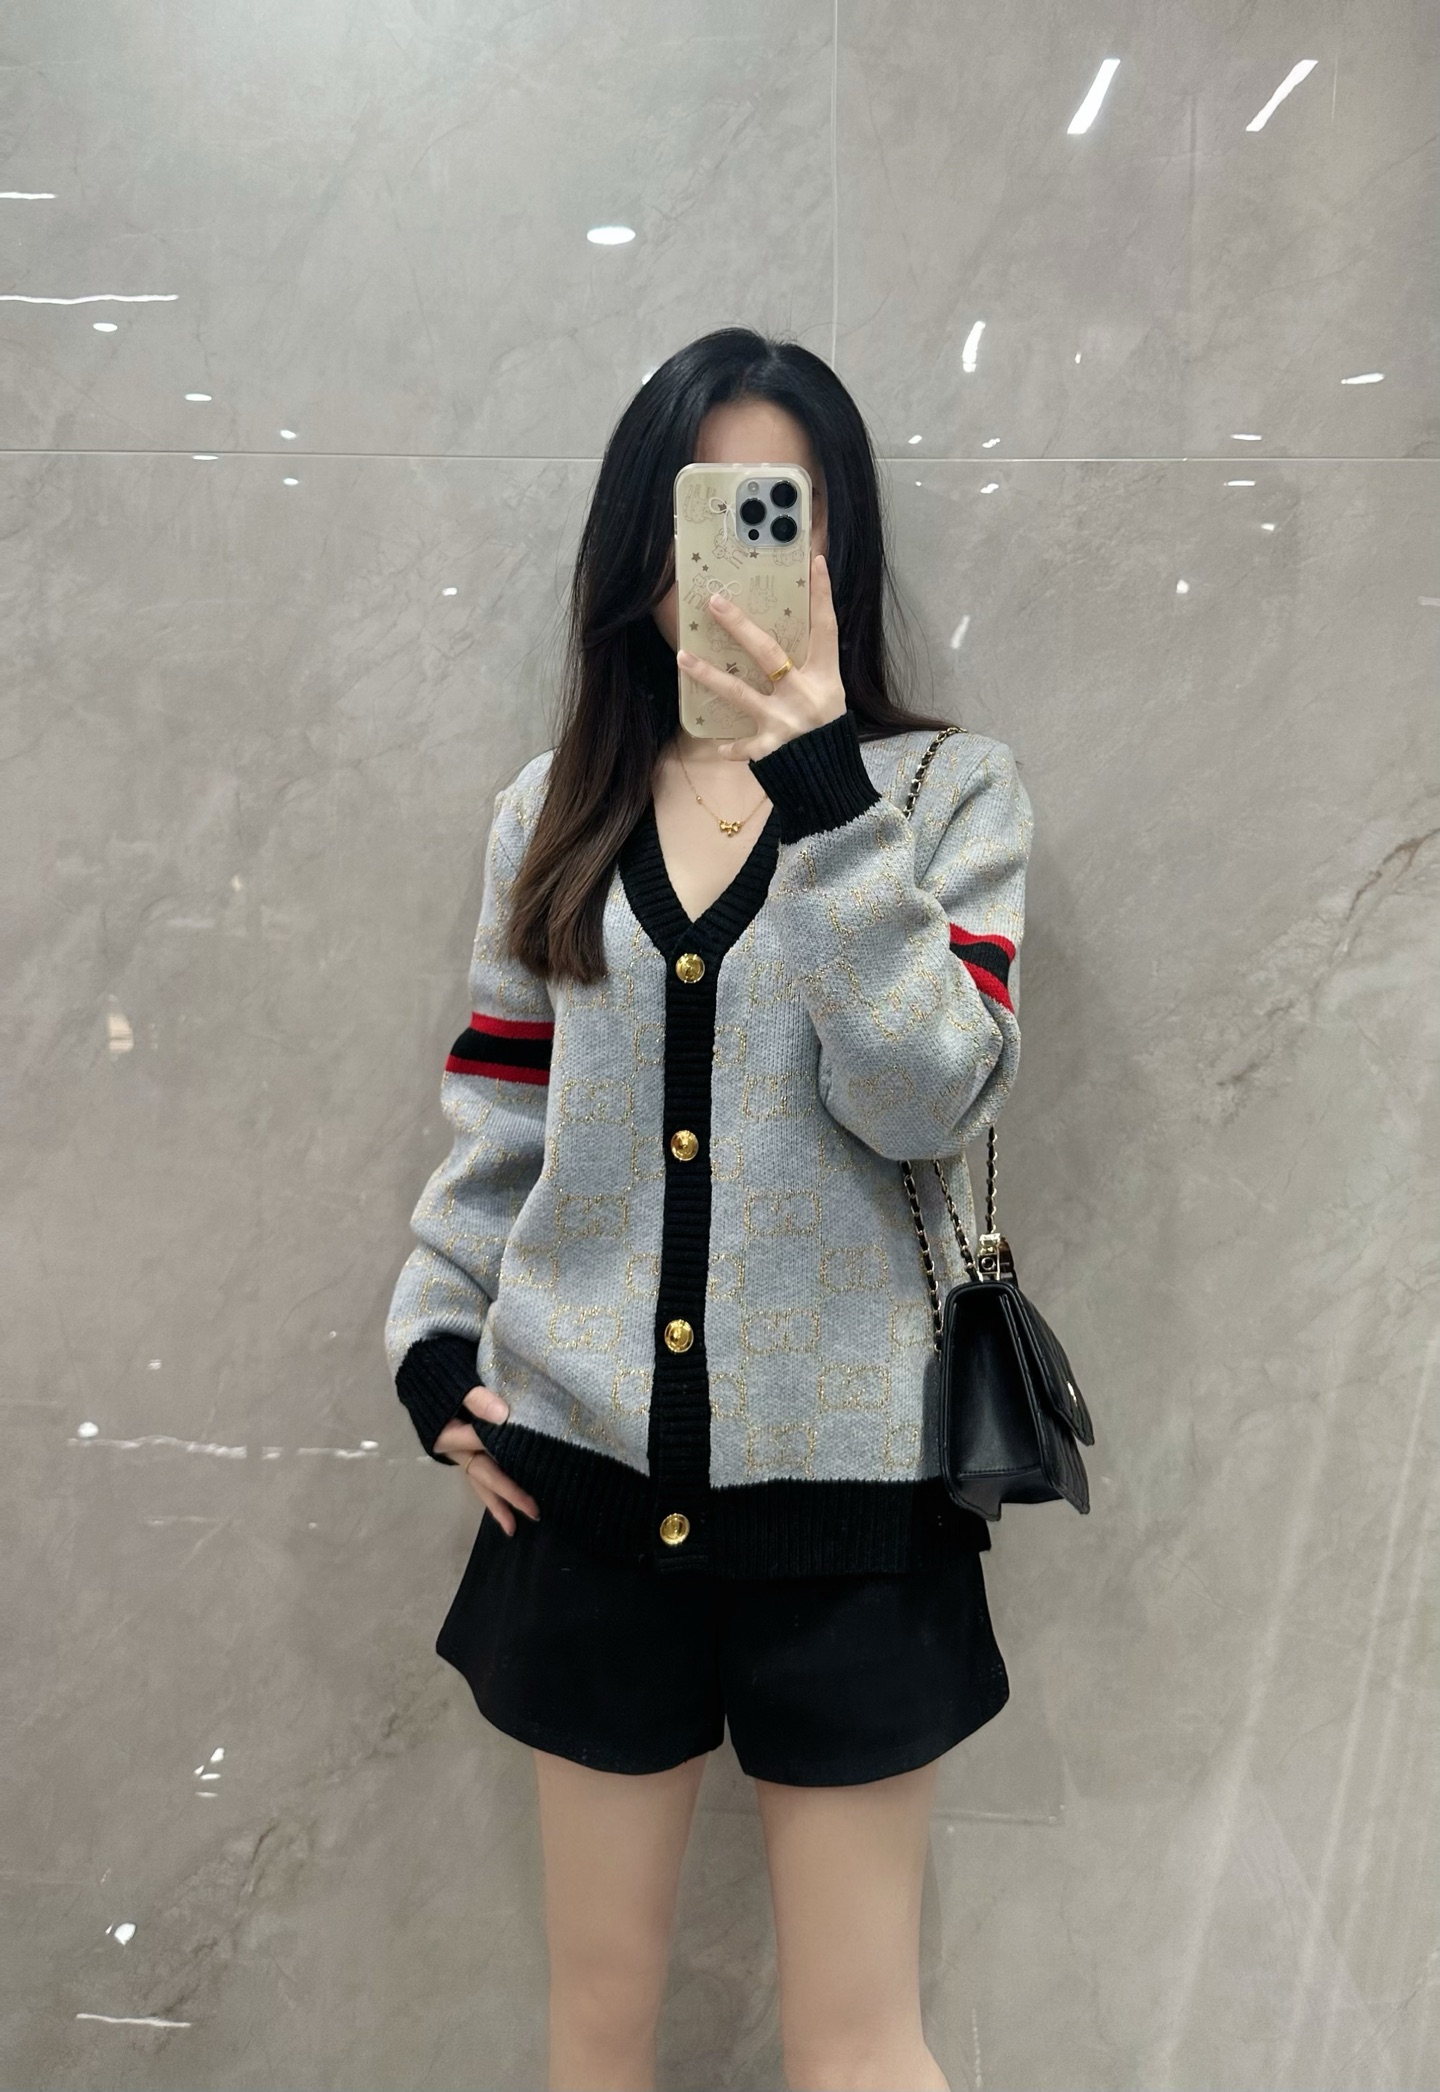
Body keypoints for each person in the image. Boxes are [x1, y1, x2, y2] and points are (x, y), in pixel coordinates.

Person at [383, 327, 1033, 2092]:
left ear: (839, 541)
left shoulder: (946, 796)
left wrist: (820, 787)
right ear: (639, 541)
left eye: (782, 511)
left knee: (858, 2045)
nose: (740, 558)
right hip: (585, 1496)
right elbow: (500, 1117)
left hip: (853, 1522)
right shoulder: (553, 811)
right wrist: (436, 1348)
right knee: (597, 2031)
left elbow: (930, 1099)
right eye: (709, 511)